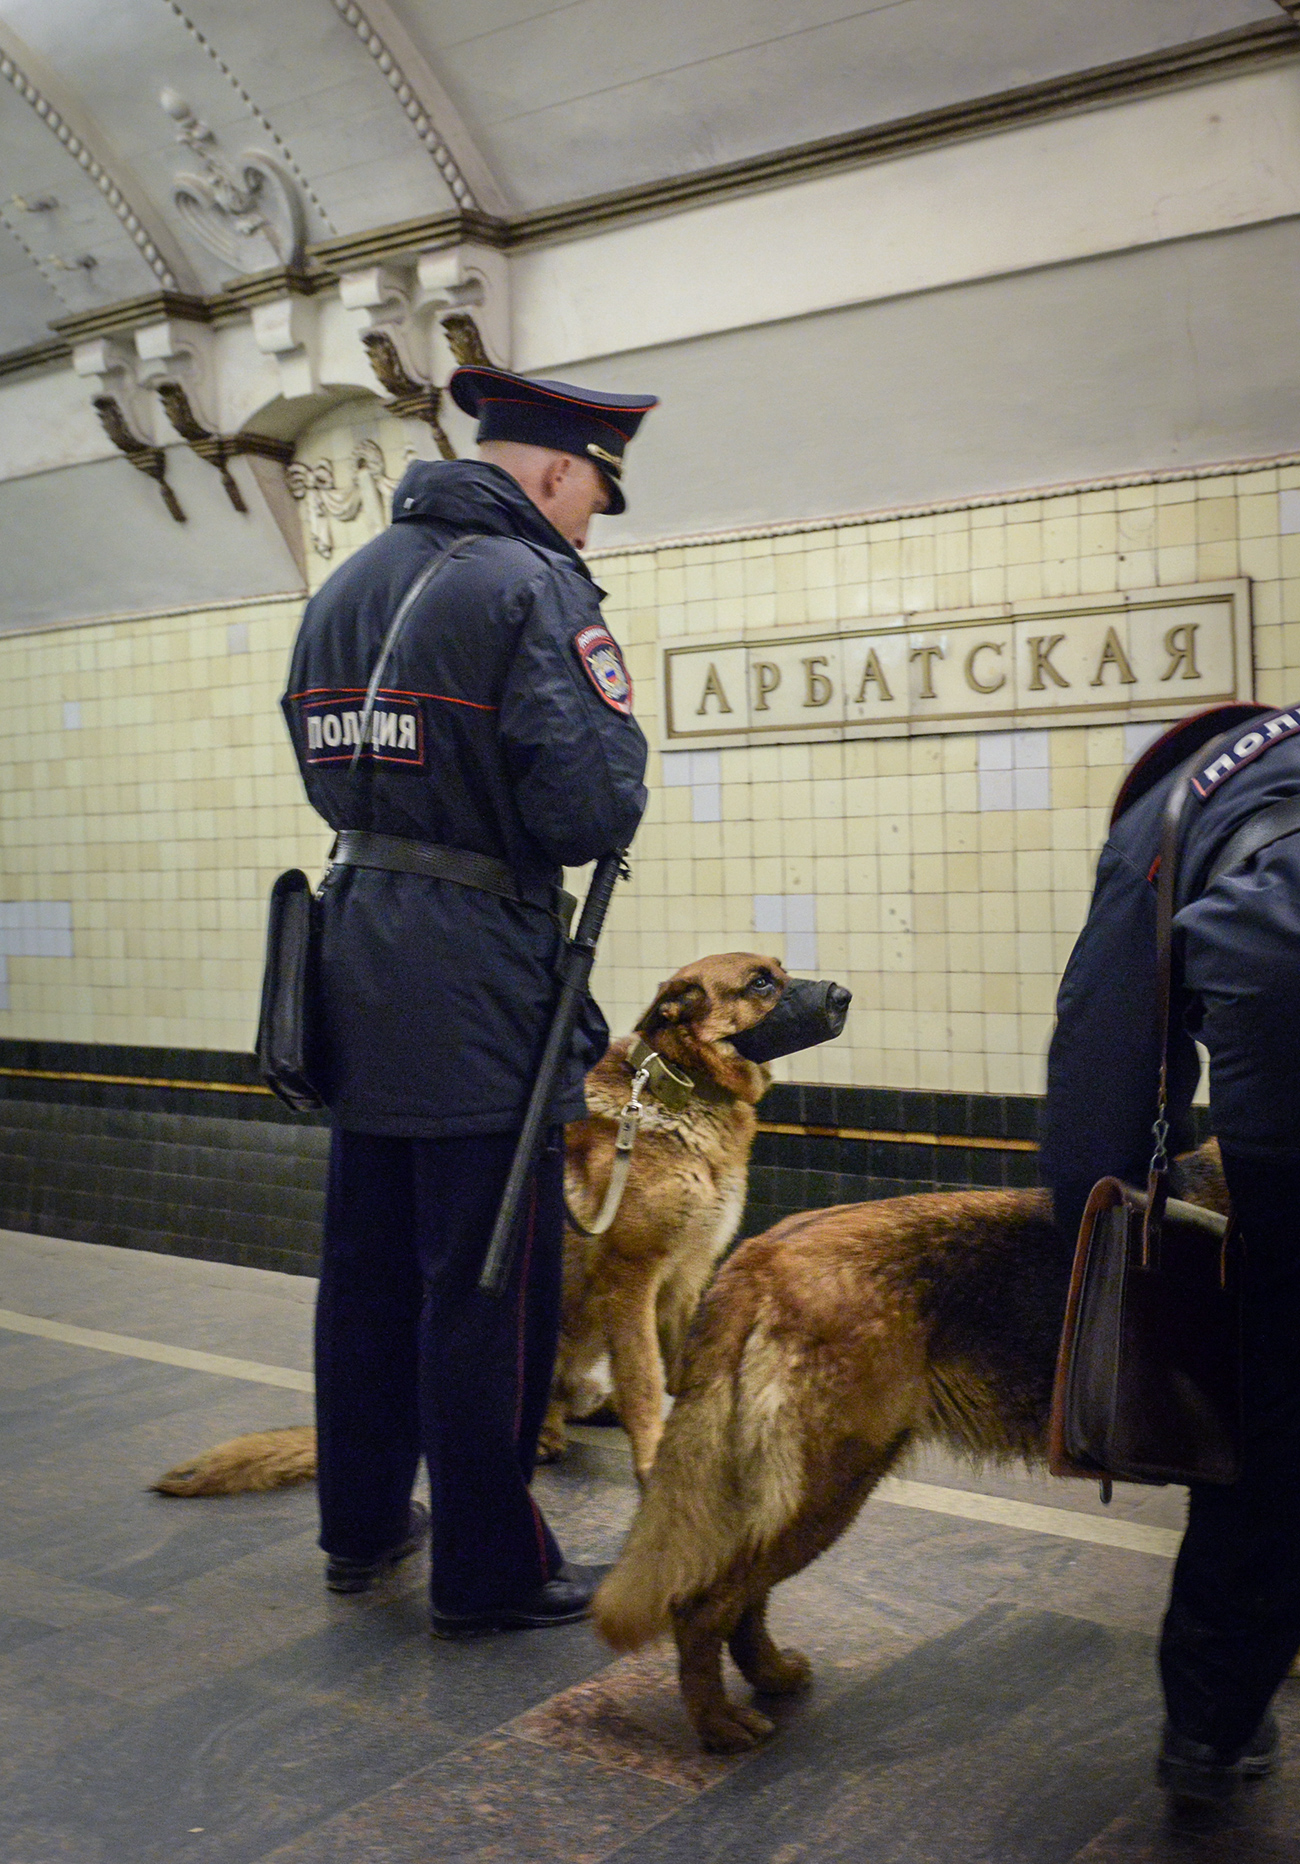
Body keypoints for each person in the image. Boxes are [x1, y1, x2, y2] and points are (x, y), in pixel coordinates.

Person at [280, 365, 654, 1636]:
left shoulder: (346, 580)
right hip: (475, 972)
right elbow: (588, 806)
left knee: (367, 1267)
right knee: (488, 1279)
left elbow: (318, 756)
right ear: (556, 472)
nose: (591, 523)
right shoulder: (530, 583)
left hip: (353, 948)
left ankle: (364, 1524)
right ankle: (492, 1567)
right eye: (596, 496)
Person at [1041, 700, 1300, 1809]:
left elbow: (1106, 1041)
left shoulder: (1173, 802)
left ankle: (1208, 1733)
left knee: (1280, 1403)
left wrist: (1092, 1227)